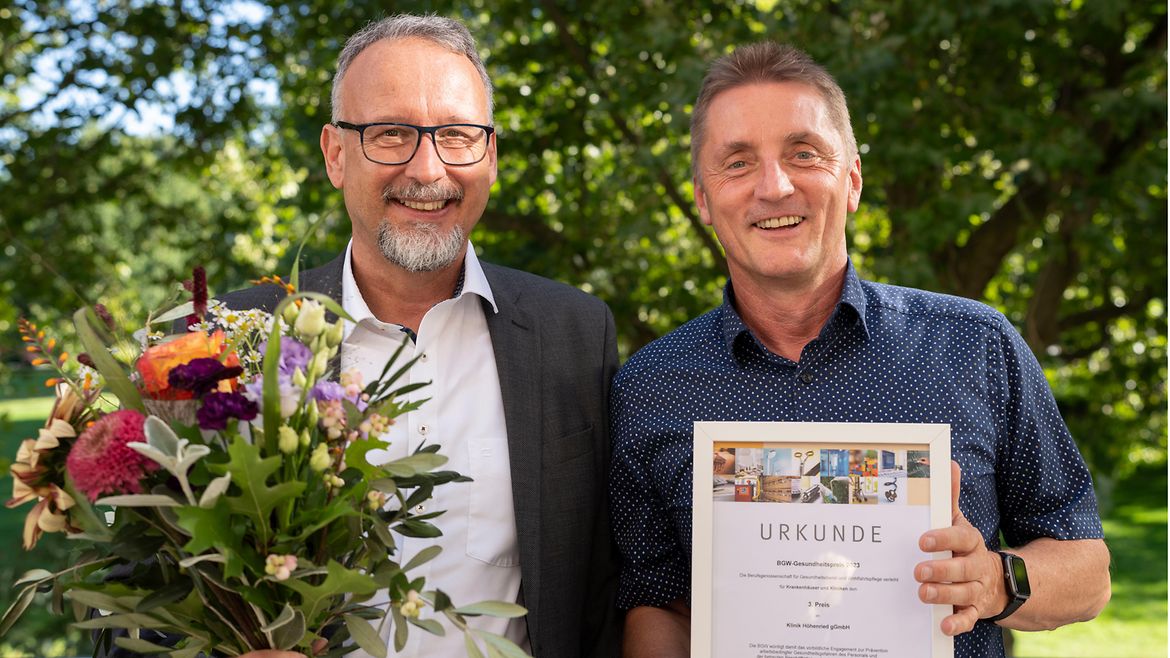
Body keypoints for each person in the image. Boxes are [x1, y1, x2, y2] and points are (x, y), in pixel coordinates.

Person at [609, 42, 1110, 658]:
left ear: (851, 181)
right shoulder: (651, 386)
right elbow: (659, 600)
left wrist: (996, 581)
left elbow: (1087, 568)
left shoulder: (976, 346)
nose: (775, 185)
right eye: (737, 163)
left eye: (804, 154)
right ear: (704, 200)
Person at [214, 14, 620, 658]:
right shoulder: (236, 339)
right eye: (391, 133)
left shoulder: (574, 332)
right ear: (335, 154)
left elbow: (602, 591)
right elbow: (146, 589)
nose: (427, 170)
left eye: (457, 136)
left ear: (489, 154)